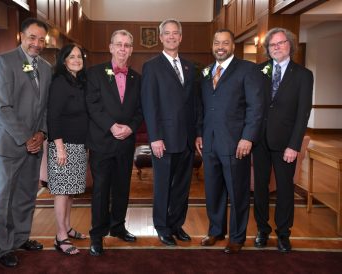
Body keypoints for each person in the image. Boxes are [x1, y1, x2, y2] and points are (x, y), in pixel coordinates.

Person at [0, 18, 51, 267]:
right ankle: (3, 247)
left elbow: (45, 107)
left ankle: (22, 237)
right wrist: (26, 138)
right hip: (9, 144)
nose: (37, 43)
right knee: (4, 196)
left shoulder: (46, 67)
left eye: (42, 39)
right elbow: (2, 107)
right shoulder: (5, 61)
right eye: (32, 37)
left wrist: (41, 133)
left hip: (34, 143)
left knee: (26, 194)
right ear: (21, 36)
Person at [195, 29, 263, 254]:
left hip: (236, 144)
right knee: (213, 190)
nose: (220, 46)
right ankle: (216, 231)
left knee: (237, 191)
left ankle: (237, 236)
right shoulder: (206, 72)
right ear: (212, 46)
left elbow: (256, 108)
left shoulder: (248, 70)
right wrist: (199, 133)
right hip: (210, 143)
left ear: (233, 46)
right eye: (217, 43)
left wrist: (247, 137)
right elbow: (202, 107)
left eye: (225, 43)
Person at [253, 28, 313, 253]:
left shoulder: (303, 75)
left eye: (281, 43)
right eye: (272, 45)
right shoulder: (259, 71)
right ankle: (262, 230)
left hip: (285, 144)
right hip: (259, 142)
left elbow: (303, 112)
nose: (276, 47)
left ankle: (283, 233)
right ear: (267, 49)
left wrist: (294, 145)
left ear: (291, 45)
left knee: (285, 189)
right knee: (259, 188)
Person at [86, 29, 143, 256]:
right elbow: (93, 105)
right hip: (102, 141)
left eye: (127, 45)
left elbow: (141, 110)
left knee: (122, 188)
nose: (122, 49)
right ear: (110, 47)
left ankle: (118, 226)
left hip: (126, 143)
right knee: (100, 190)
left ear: (131, 50)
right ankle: (97, 235)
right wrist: (111, 126)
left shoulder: (137, 78)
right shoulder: (95, 73)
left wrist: (130, 127)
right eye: (118, 44)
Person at [141, 18, 196, 246]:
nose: (172, 37)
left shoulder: (190, 67)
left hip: (187, 139)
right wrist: (155, 137)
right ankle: (162, 227)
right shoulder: (151, 66)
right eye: (167, 33)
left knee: (182, 187)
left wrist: (198, 134)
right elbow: (149, 104)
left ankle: (176, 224)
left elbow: (194, 103)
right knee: (163, 186)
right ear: (161, 38)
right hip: (163, 139)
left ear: (181, 37)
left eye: (176, 33)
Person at [46, 44, 88, 255]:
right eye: (71, 56)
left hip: (78, 145)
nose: (76, 59)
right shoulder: (60, 83)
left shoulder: (79, 82)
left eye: (79, 56)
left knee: (71, 191)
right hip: (63, 146)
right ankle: (60, 235)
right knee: (62, 192)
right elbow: (53, 116)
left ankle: (68, 227)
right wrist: (60, 148)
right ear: (63, 60)